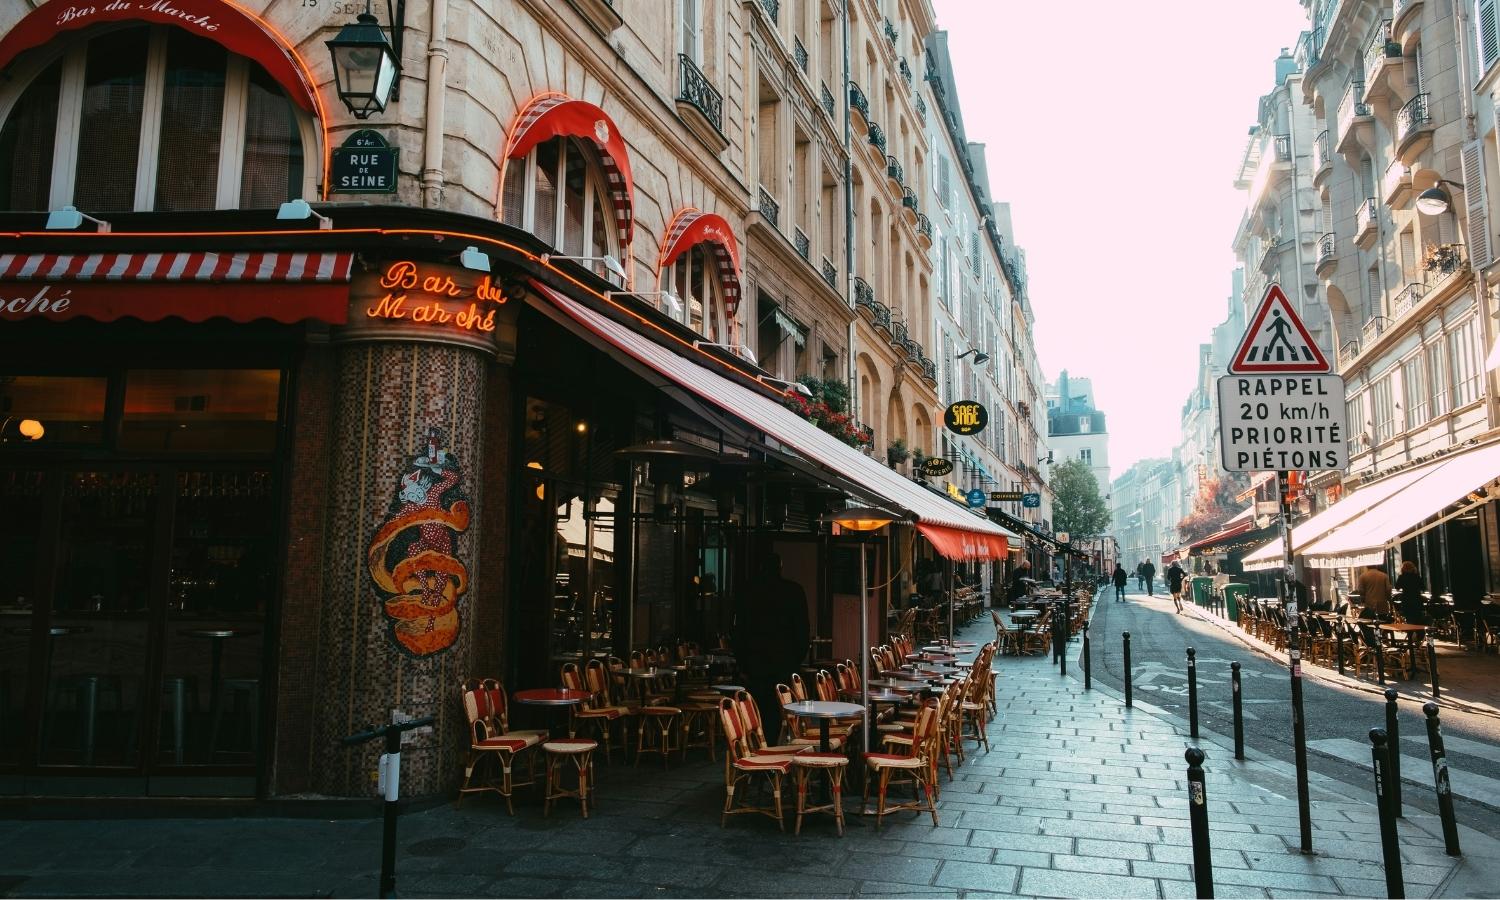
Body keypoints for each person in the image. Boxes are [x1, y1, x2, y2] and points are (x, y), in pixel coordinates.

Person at [735, 551, 810, 725]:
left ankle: (761, 738)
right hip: (784, 662)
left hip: (756, 664)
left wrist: (742, 662)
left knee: (757, 712)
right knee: (782, 710)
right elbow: (802, 629)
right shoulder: (794, 591)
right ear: (780, 568)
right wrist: (796, 660)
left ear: (761, 568)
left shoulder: (749, 592)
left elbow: (739, 629)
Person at [1395, 560, 1427, 624]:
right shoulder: (1416, 576)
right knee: (1417, 617)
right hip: (1416, 599)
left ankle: (1410, 628)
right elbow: (1423, 588)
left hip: (1406, 599)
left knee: (1409, 617)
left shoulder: (1402, 577)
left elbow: (1397, 587)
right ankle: (1418, 628)